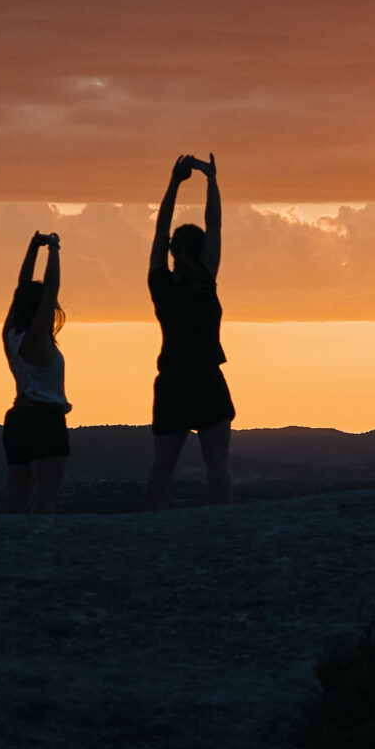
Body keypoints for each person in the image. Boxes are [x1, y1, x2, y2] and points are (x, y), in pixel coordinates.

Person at [144, 153, 233, 509]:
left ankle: (151, 525)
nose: (168, 246)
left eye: (173, 246)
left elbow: (163, 228)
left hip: (176, 379)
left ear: (177, 251)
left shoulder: (162, 283)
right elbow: (213, 226)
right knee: (216, 463)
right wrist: (210, 180)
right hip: (202, 378)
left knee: (164, 465)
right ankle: (221, 523)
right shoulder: (204, 278)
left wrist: (177, 182)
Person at [2, 230, 71, 513]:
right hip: (44, 419)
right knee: (46, 498)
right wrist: (54, 249)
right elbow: (51, 287)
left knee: (15, 496)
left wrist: (32, 248)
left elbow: (21, 288)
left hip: (17, 419)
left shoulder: (10, 335)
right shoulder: (36, 339)